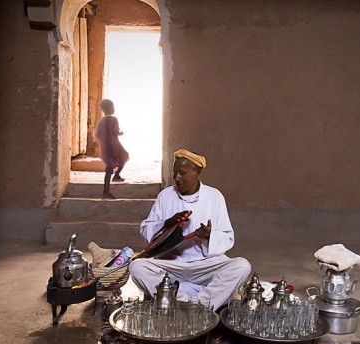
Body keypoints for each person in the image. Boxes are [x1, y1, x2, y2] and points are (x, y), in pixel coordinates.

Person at [129, 149, 252, 311]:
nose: (176, 178)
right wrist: (166, 224)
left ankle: (200, 306)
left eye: (182, 173)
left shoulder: (214, 196)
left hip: (205, 265)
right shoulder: (166, 196)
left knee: (242, 266)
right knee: (137, 267)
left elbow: (227, 237)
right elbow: (146, 228)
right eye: (174, 173)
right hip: (171, 264)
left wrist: (209, 236)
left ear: (197, 172)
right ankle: (178, 301)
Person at [95, 99, 129, 199]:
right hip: (114, 147)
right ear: (110, 108)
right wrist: (120, 133)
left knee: (108, 168)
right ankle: (114, 179)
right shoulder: (114, 119)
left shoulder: (100, 121)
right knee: (124, 156)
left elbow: (97, 135)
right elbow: (115, 131)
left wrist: (104, 140)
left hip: (104, 149)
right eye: (112, 107)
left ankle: (110, 185)